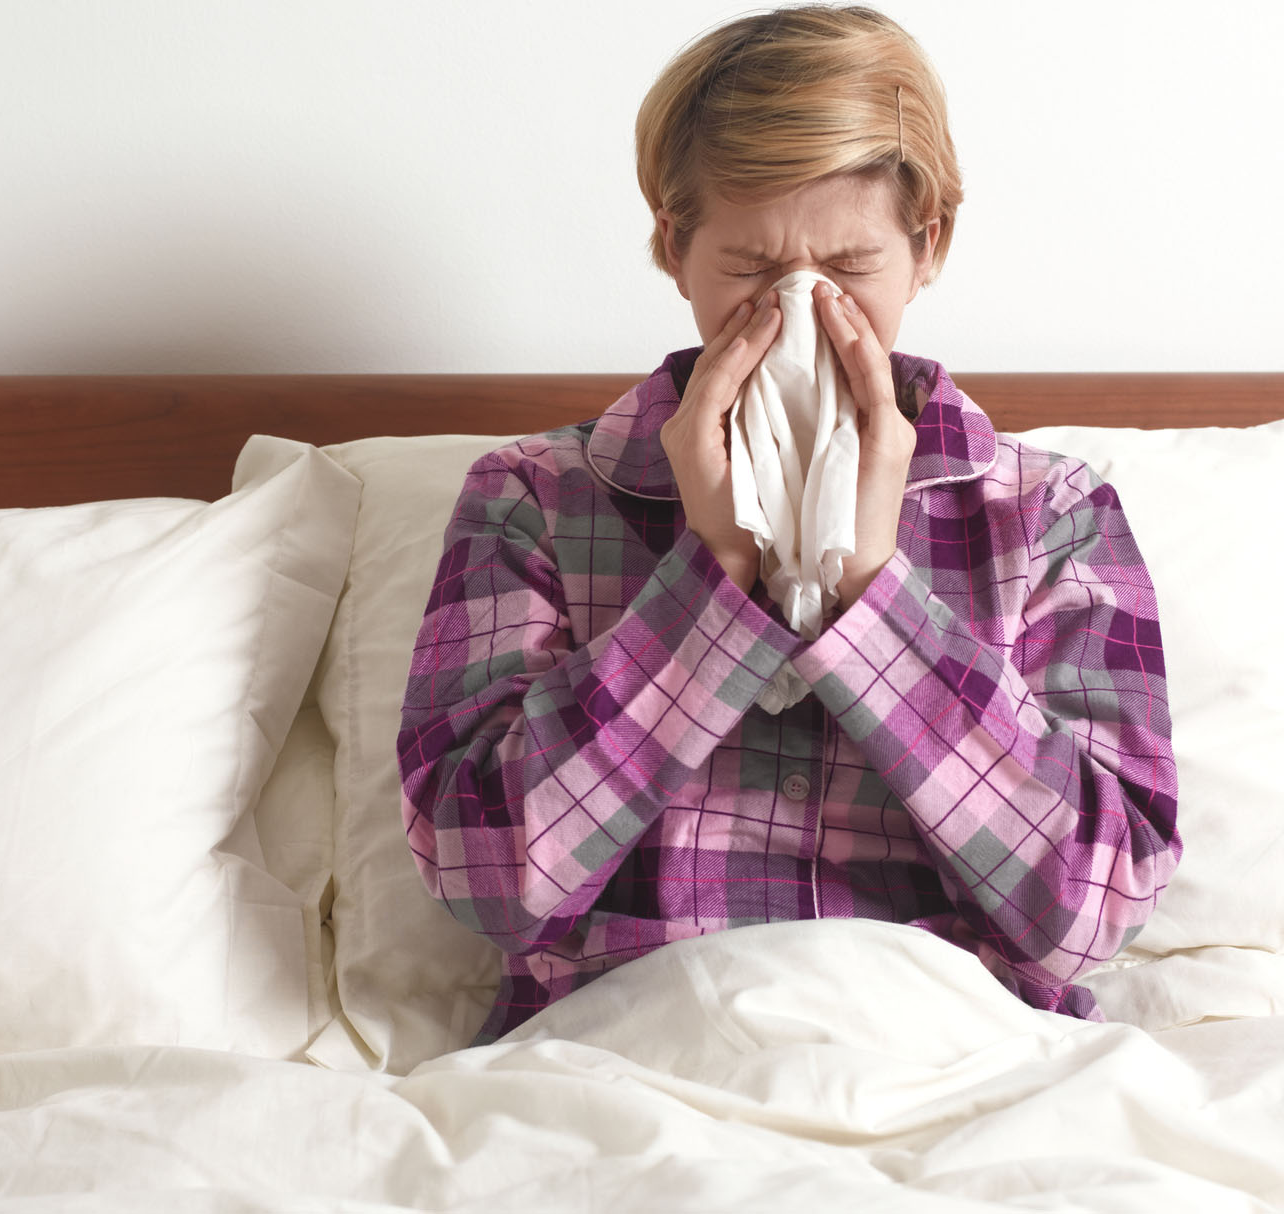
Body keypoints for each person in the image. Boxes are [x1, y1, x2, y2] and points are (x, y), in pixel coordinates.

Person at [396, 4, 1181, 1043]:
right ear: (674, 248)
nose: (801, 316)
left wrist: (868, 594)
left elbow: (1091, 909)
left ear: (926, 244)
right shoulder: (534, 497)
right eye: (752, 273)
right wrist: (713, 578)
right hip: (631, 1056)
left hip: (956, 1056)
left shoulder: (1047, 516)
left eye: (848, 269)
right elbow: (485, 877)